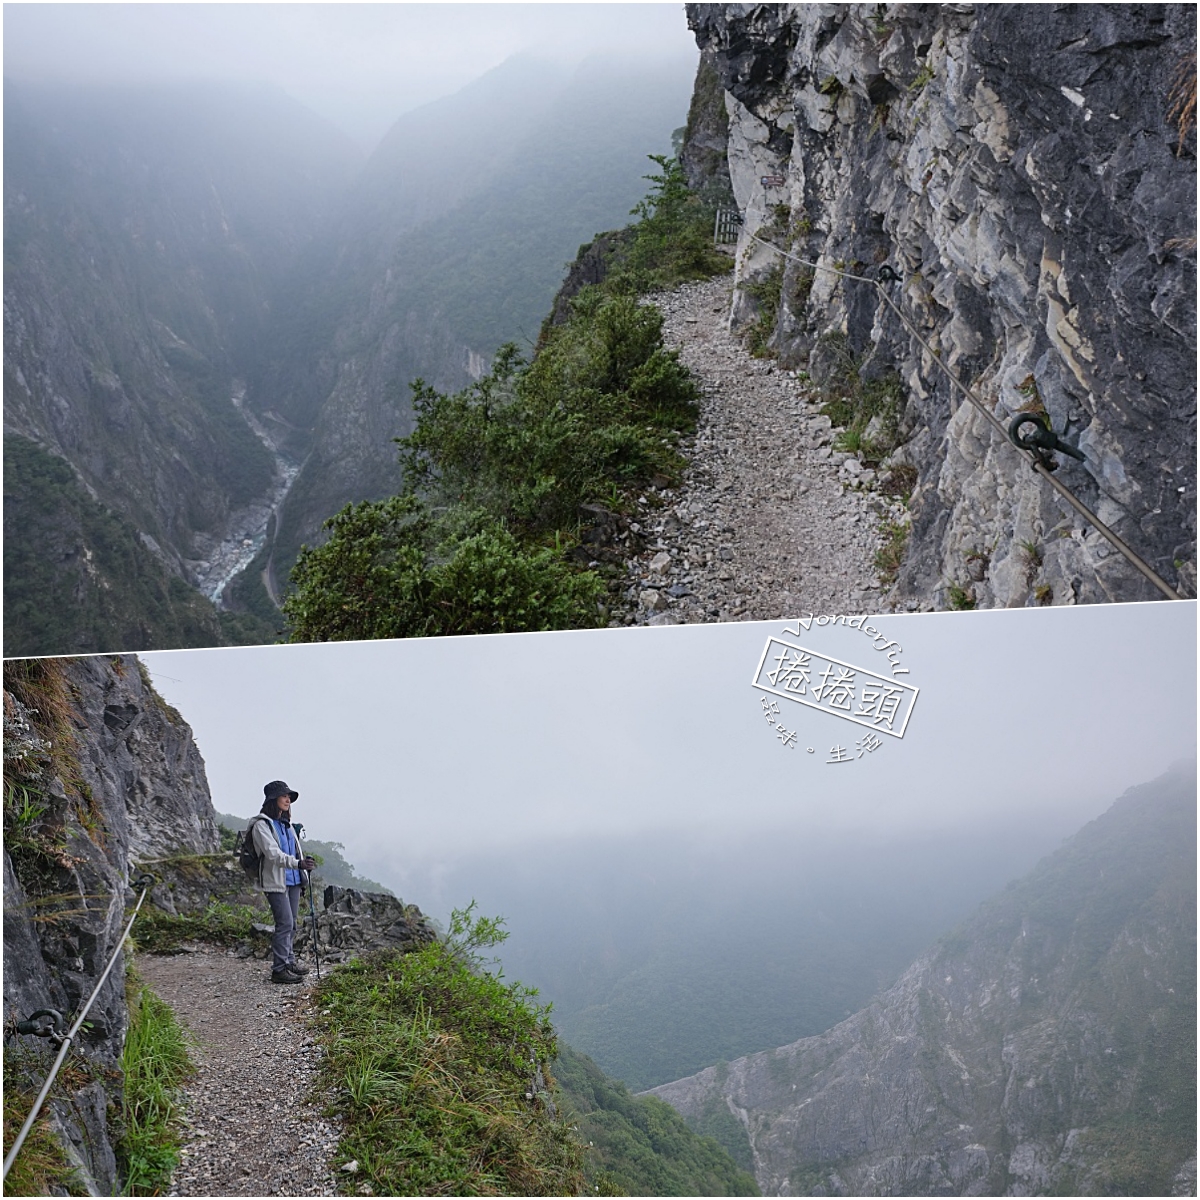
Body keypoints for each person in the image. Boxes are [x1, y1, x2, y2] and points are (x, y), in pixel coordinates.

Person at [250, 780, 316, 984]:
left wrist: (301, 868)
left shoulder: (287, 825)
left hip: (294, 880)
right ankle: (279, 969)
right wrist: (298, 864)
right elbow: (272, 854)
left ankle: (289, 962)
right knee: (285, 923)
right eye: (284, 796)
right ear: (273, 799)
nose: (288, 800)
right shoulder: (262, 825)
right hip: (276, 882)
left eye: (289, 797)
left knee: (292, 924)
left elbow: (294, 851)